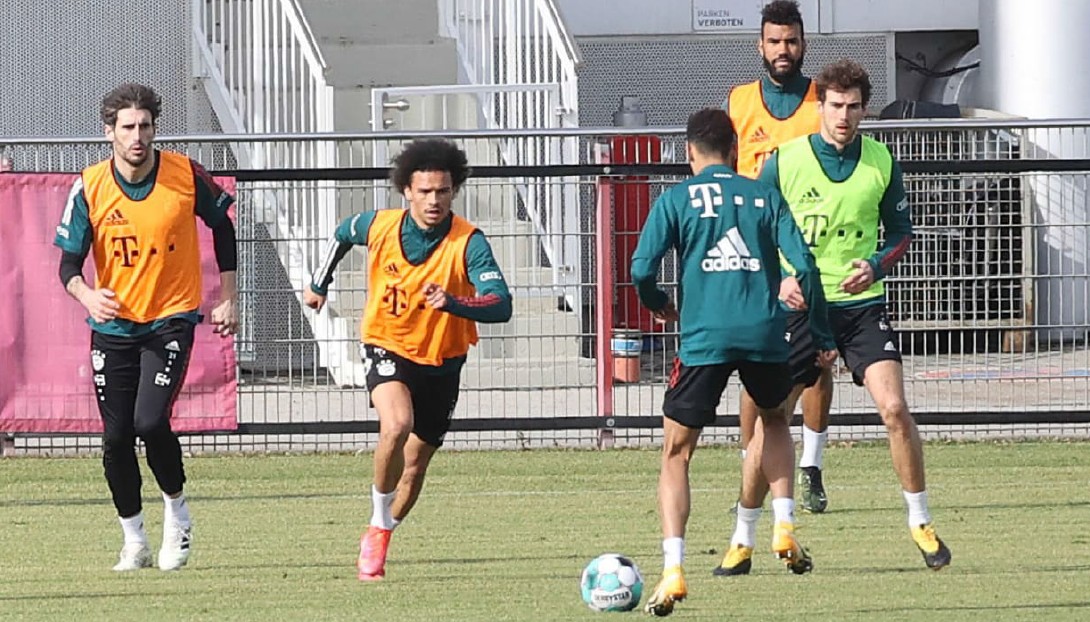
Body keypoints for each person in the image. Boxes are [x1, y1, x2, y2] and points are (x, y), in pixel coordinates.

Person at [719, 59, 952, 575]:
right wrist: (778, 281)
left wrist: (875, 266)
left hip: (861, 307)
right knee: (772, 419)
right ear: (820, 106)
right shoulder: (785, 161)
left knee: (895, 408)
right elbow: (754, 230)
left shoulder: (881, 162)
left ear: (864, 110)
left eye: (854, 107)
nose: (844, 116)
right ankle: (743, 537)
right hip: (801, 306)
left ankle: (921, 521)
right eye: (836, 105)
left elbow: (901, 234)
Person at [632, 108, 836, 617]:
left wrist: (657, 301)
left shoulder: (676, 198)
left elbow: (641, 268)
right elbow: (806, 266)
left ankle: (673, 569)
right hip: (764, 333)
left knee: (676, 453)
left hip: (704, 338)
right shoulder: (764, 196)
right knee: (775, 421)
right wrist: (821, 332)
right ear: (737, 150)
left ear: (689, 153)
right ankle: (784, 525)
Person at [304, 138, 513, 581]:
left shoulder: (468, 242)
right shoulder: (378, 225)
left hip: (443, 360)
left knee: (415, 466)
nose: (434, 200)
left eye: (443, 191)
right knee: (396, 424)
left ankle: (382, 530)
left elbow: (501, 304)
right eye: (425, 191)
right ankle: (378, 517)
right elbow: (342, 233)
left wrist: (453, 302)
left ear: (454, 190)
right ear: (407, 191)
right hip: (387, 343)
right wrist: (319, 284)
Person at [53, 83, 239, 572]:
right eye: (128, 127)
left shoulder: (183, 174)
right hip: (113, 326)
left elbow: (222, 225)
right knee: (116, 437)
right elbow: (68, 265)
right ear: (109, 132)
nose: (137, 136)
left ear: (155, 129)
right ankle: (133, 539)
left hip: (170, 318)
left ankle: (178, 514)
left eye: (145, 126)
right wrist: (87, 295)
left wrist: (229, 295)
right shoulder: (89, 186)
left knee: (150, 422)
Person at [726, 0, 833, 516]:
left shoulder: (821, 101)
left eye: (791, 40)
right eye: (774, 41)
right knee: (755, 364)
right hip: (758, 256)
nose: (783, 49)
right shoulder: (740, 101)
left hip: (812, 251)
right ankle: (749, 472)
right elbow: (727, 176)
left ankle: (811, 467)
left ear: (803, 43)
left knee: (817, 364)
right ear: (760, 46)